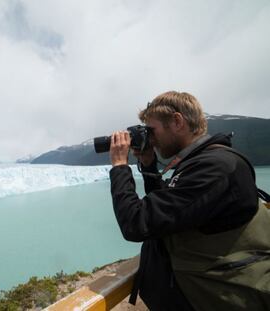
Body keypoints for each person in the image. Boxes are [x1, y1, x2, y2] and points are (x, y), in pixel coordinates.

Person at [109, 91, 270, 311]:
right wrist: (148, 164)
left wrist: (119, 166)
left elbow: (136, 223)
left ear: (177, 121)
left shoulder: (214, 168)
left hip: (211, 298)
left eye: (152, 130)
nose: (151, 139)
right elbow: (171, 210)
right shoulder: (206, 161)